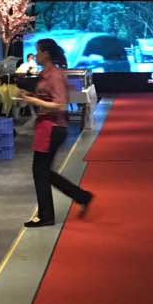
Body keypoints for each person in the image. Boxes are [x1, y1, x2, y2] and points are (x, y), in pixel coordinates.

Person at [18, 38, 93, 228]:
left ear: (46, 53)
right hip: (46, 127)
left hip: (53, 127)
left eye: (38, 51)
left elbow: (60, 105)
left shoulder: (55, 75)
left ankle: (46, 215)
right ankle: (81, 196)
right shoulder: (45, 74)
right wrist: (29, 97)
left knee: (40, 171)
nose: (36, 55)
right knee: (43, 171)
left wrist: (35, 101)